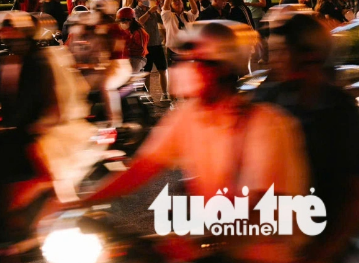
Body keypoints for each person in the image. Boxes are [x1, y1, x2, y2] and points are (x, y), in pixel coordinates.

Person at [85, 21, 309, 262]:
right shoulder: (188, 115)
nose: (184, 69)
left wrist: (202, 243)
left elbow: (262, 207)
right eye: (184, 60)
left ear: (222, 69)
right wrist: (81, 204)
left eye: (196, 61)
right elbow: (144, 167)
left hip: (261, 253)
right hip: (213, 249)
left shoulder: (265, 125)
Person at [256, 14, 359, 262]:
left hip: (324, 244)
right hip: (273, 241)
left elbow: (353, 191)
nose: (274, 60)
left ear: (309, 55)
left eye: (282, 52)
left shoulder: (339, 110)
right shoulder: (268, 97)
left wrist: (324, 251)